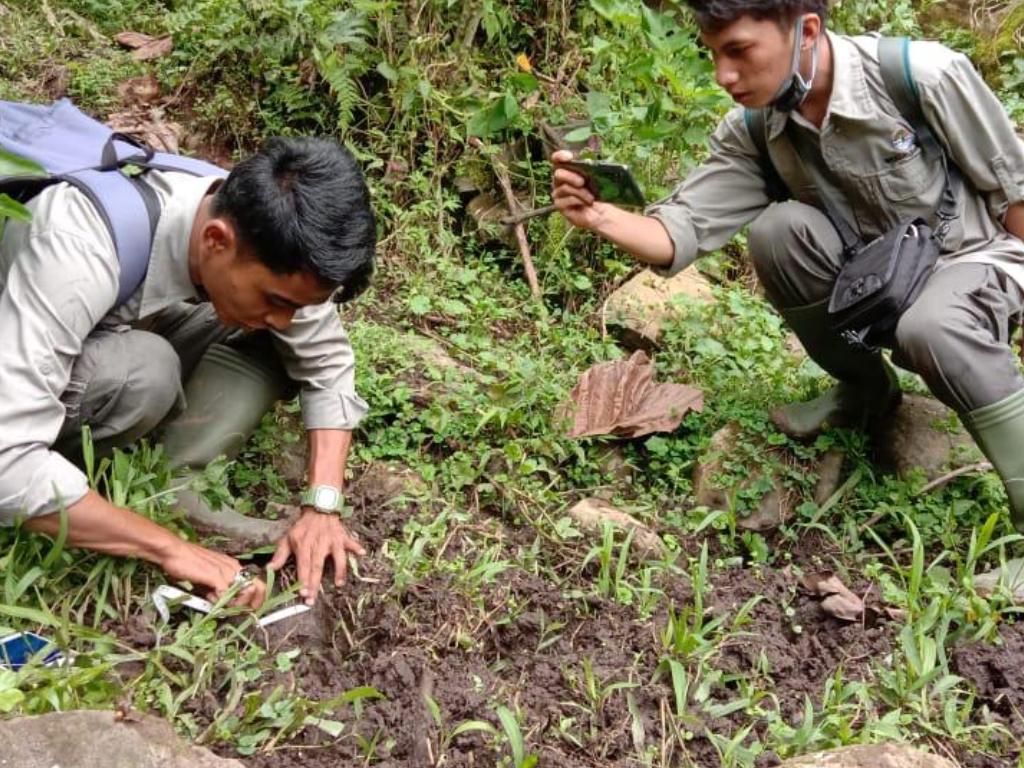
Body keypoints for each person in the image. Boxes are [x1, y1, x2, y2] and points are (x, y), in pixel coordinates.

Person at [552, 1, 1024, 528]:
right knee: (779, 233)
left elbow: (1015, 196)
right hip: (876, 282)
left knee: (933, 326)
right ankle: (866, 390)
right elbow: (675, 233)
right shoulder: (757, 129)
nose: (723, 75)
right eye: (712, 55)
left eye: (739, 51)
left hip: (973, 262)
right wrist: (599, 216)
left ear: (807, 31)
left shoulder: (922, 77)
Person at [0, 136, 376, 607]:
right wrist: (169, 548)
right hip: (20, 355)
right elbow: (7, 465)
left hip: (117, 323)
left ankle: (181, 484)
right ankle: (91, 484)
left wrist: (322, 506)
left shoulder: (259, 226)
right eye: (277, 300)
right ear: (216, 240)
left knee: (275, 341)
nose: (285, 317)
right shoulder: (75, 245)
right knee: (145, 372)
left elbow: (327, 364)